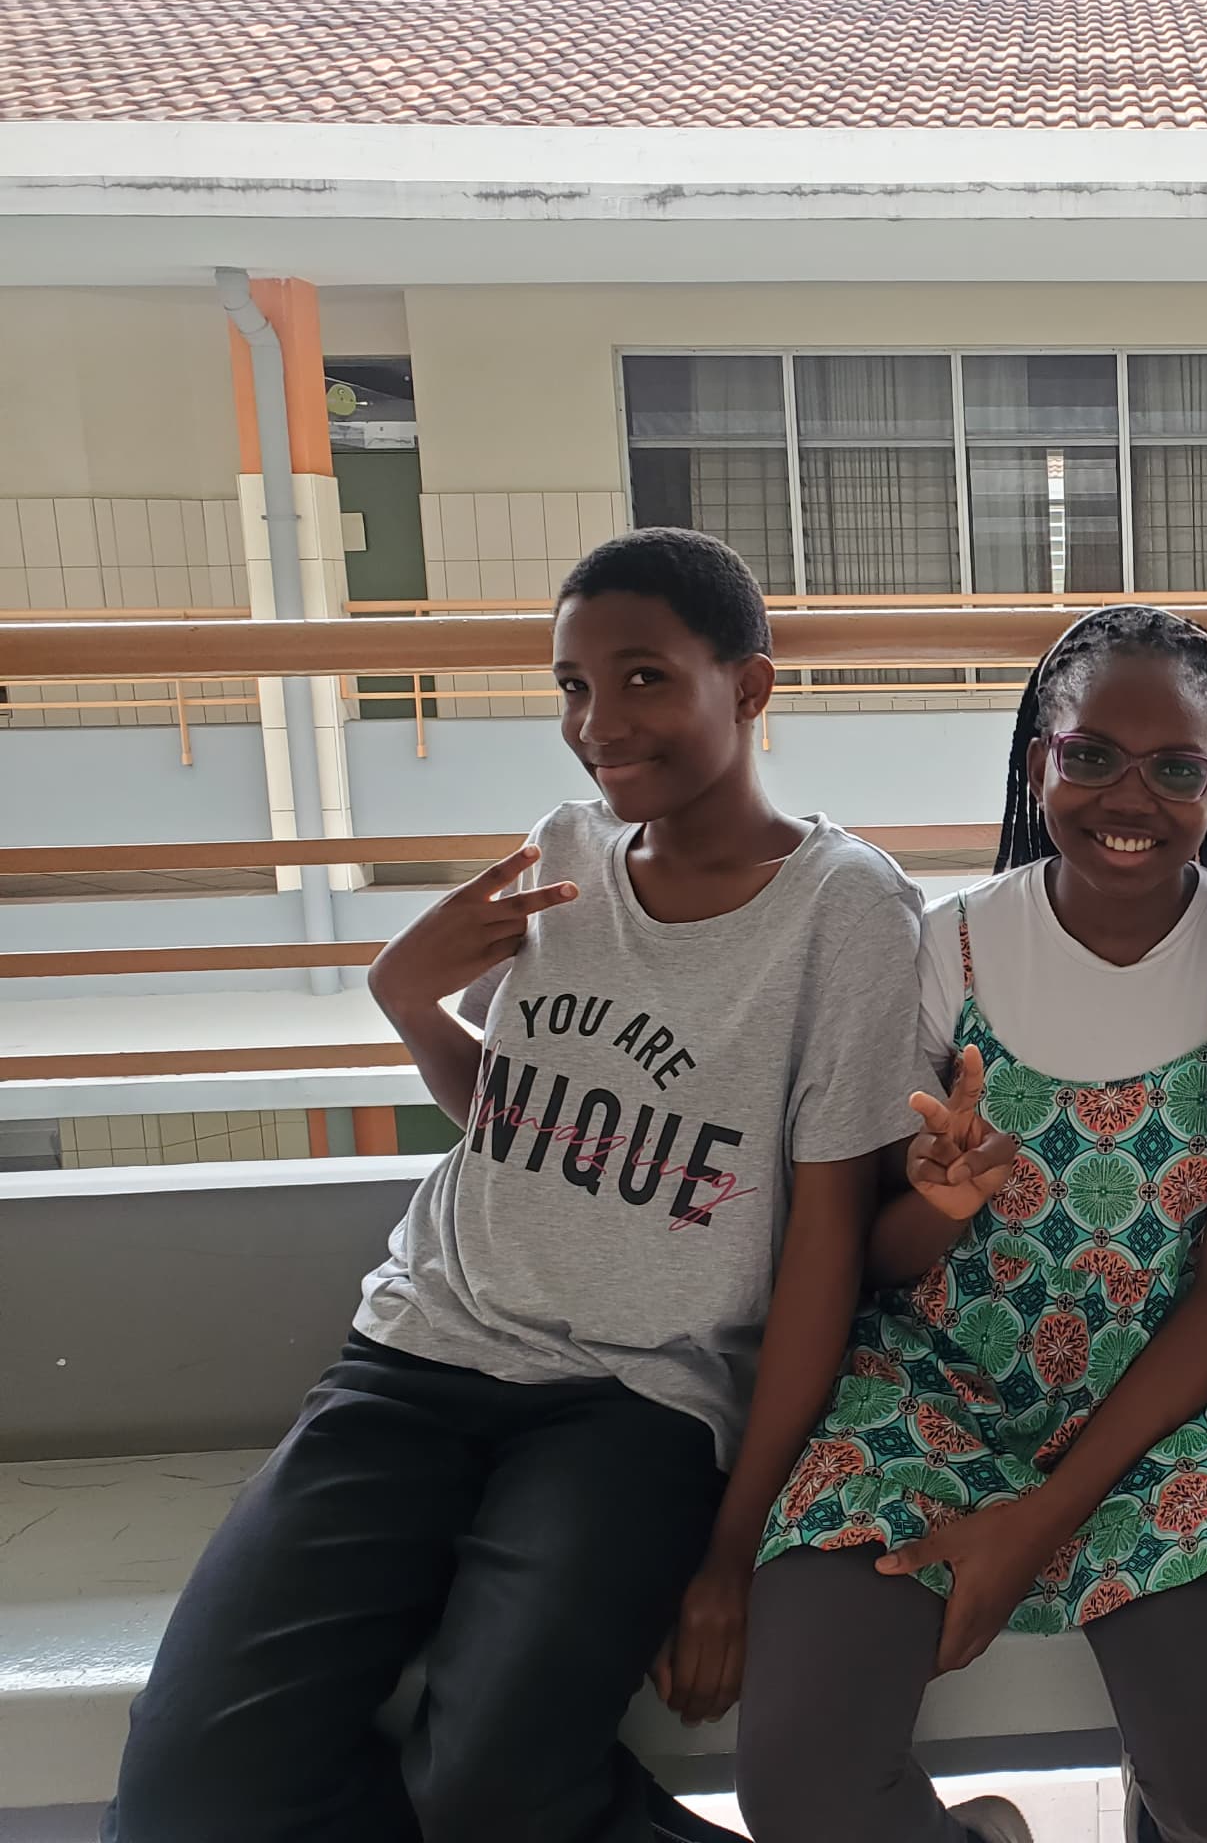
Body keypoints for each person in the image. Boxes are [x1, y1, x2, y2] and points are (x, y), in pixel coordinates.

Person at [106, 529, 930, 1843]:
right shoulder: (567, 847)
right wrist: (398, 993)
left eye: (645, 677)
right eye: (571, 686)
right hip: (413, 1359)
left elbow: (823, 1248)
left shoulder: (848, 911)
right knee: (188, 1795)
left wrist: (732, 1544)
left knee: (487, 1794)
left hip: (633, 1406)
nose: (598, 723)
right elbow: (521, 1114)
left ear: (751, 686)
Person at [737, 606, 1207, 1843]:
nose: (1133, 795)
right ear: (1037, 761)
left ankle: (1152, 1803)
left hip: (1155, 1412)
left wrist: (1033, 1524)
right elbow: (878, 1261)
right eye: (1090, 755)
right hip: (931, 1392)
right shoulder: (948, 943)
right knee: (801, 1790)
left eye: (1178, 769)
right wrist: (940, 1212)